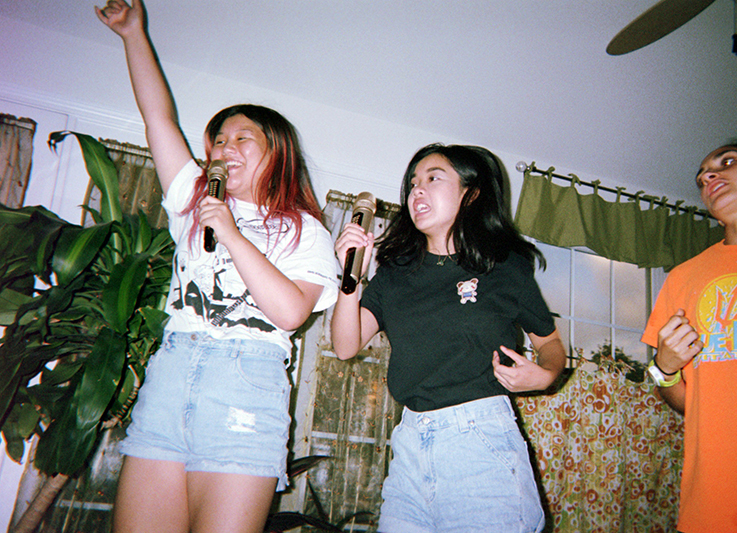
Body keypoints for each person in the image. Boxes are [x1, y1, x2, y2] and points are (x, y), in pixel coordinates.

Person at [95, 1, 339, 532]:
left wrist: (230, 232)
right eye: (219, 140)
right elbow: (159, 120)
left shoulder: (305, 230)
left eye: (241, 138)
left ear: (276, 153)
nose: (226, 147)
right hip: (171, 378)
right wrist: (133, 34)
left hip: (244, 389)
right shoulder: (192, 201)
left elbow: (290, 312)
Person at [331, 143, 567, 533]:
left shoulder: (504, 267)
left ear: (470, 195)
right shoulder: (394, 274)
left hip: (480, 442)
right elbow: (345, 346)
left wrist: (545, 376)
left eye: (433, 178)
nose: (417, 190)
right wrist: (350, 277)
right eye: (413, 184)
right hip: (409, 444)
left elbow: (551, 345)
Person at [641, 142, 737, 533]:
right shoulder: (682, 278)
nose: (708, 176)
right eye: (701, 177)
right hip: (711, 508)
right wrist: (664, 369)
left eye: (727, 162)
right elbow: (689, 401)